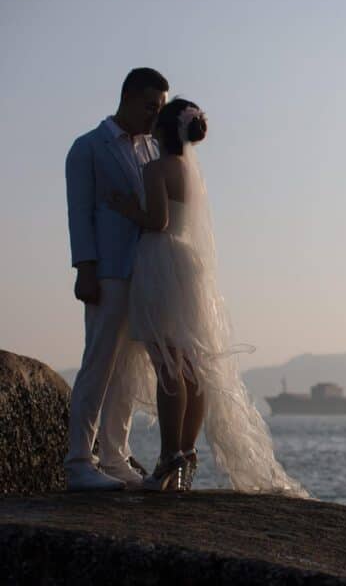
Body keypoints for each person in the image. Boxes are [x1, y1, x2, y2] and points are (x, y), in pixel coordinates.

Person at [106, 98, 306, 496]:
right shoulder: (189, 172)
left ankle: (167, 459)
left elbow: (158, 221)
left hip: (160, 261)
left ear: (162, 131)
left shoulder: (154, 168)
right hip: (189, 265)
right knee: (192, 366)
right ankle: (185, 452)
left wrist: (127, 207)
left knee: (167, 363)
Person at [65, 68, 168, 491]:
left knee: (129, 368)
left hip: (143, 272)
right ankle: (78, 460)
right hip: (106, 271)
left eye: (160, 108)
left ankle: (115, 455)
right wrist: (84, 269)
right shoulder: (88, 147)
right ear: (127, 97)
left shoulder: (152, 150)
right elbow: (79, 213)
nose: (154, 115)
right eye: (149, 106)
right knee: (99, 363)